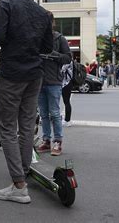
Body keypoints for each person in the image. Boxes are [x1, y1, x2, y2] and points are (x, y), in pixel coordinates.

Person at [0, 0, 53, 204]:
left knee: (7, 128)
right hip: (35, 75)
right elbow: (47, 46)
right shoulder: (41, 11)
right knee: (27, 127)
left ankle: (18, 185)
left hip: (12, 74)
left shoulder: (5, 6)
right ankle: (23, 175)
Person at [36, 11, 72, 156]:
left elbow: (68, 58)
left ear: (52, 23)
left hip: (54, 82)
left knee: (55, 113)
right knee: (44, 114)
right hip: (39, 81)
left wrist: (53, 54)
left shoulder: (59, 38)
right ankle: (46, 140)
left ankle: (57, 141)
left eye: (47, 22)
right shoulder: (37, 38)